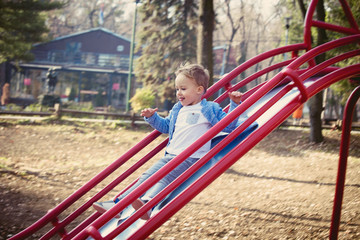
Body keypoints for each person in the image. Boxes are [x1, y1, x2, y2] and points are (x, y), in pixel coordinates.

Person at [93, 63, 243, 220]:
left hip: (190, 157)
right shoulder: (178, 109)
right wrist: (152, 117)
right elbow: (165, 127)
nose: (179, 93)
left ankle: (138, 204)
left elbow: (228, 125)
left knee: (161, 178)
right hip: (171, 154)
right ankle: (125, 204)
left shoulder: (209, 108)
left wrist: (234, 104)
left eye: (183, 89)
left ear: (199, 90)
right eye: (177, 89)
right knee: (148, 177)